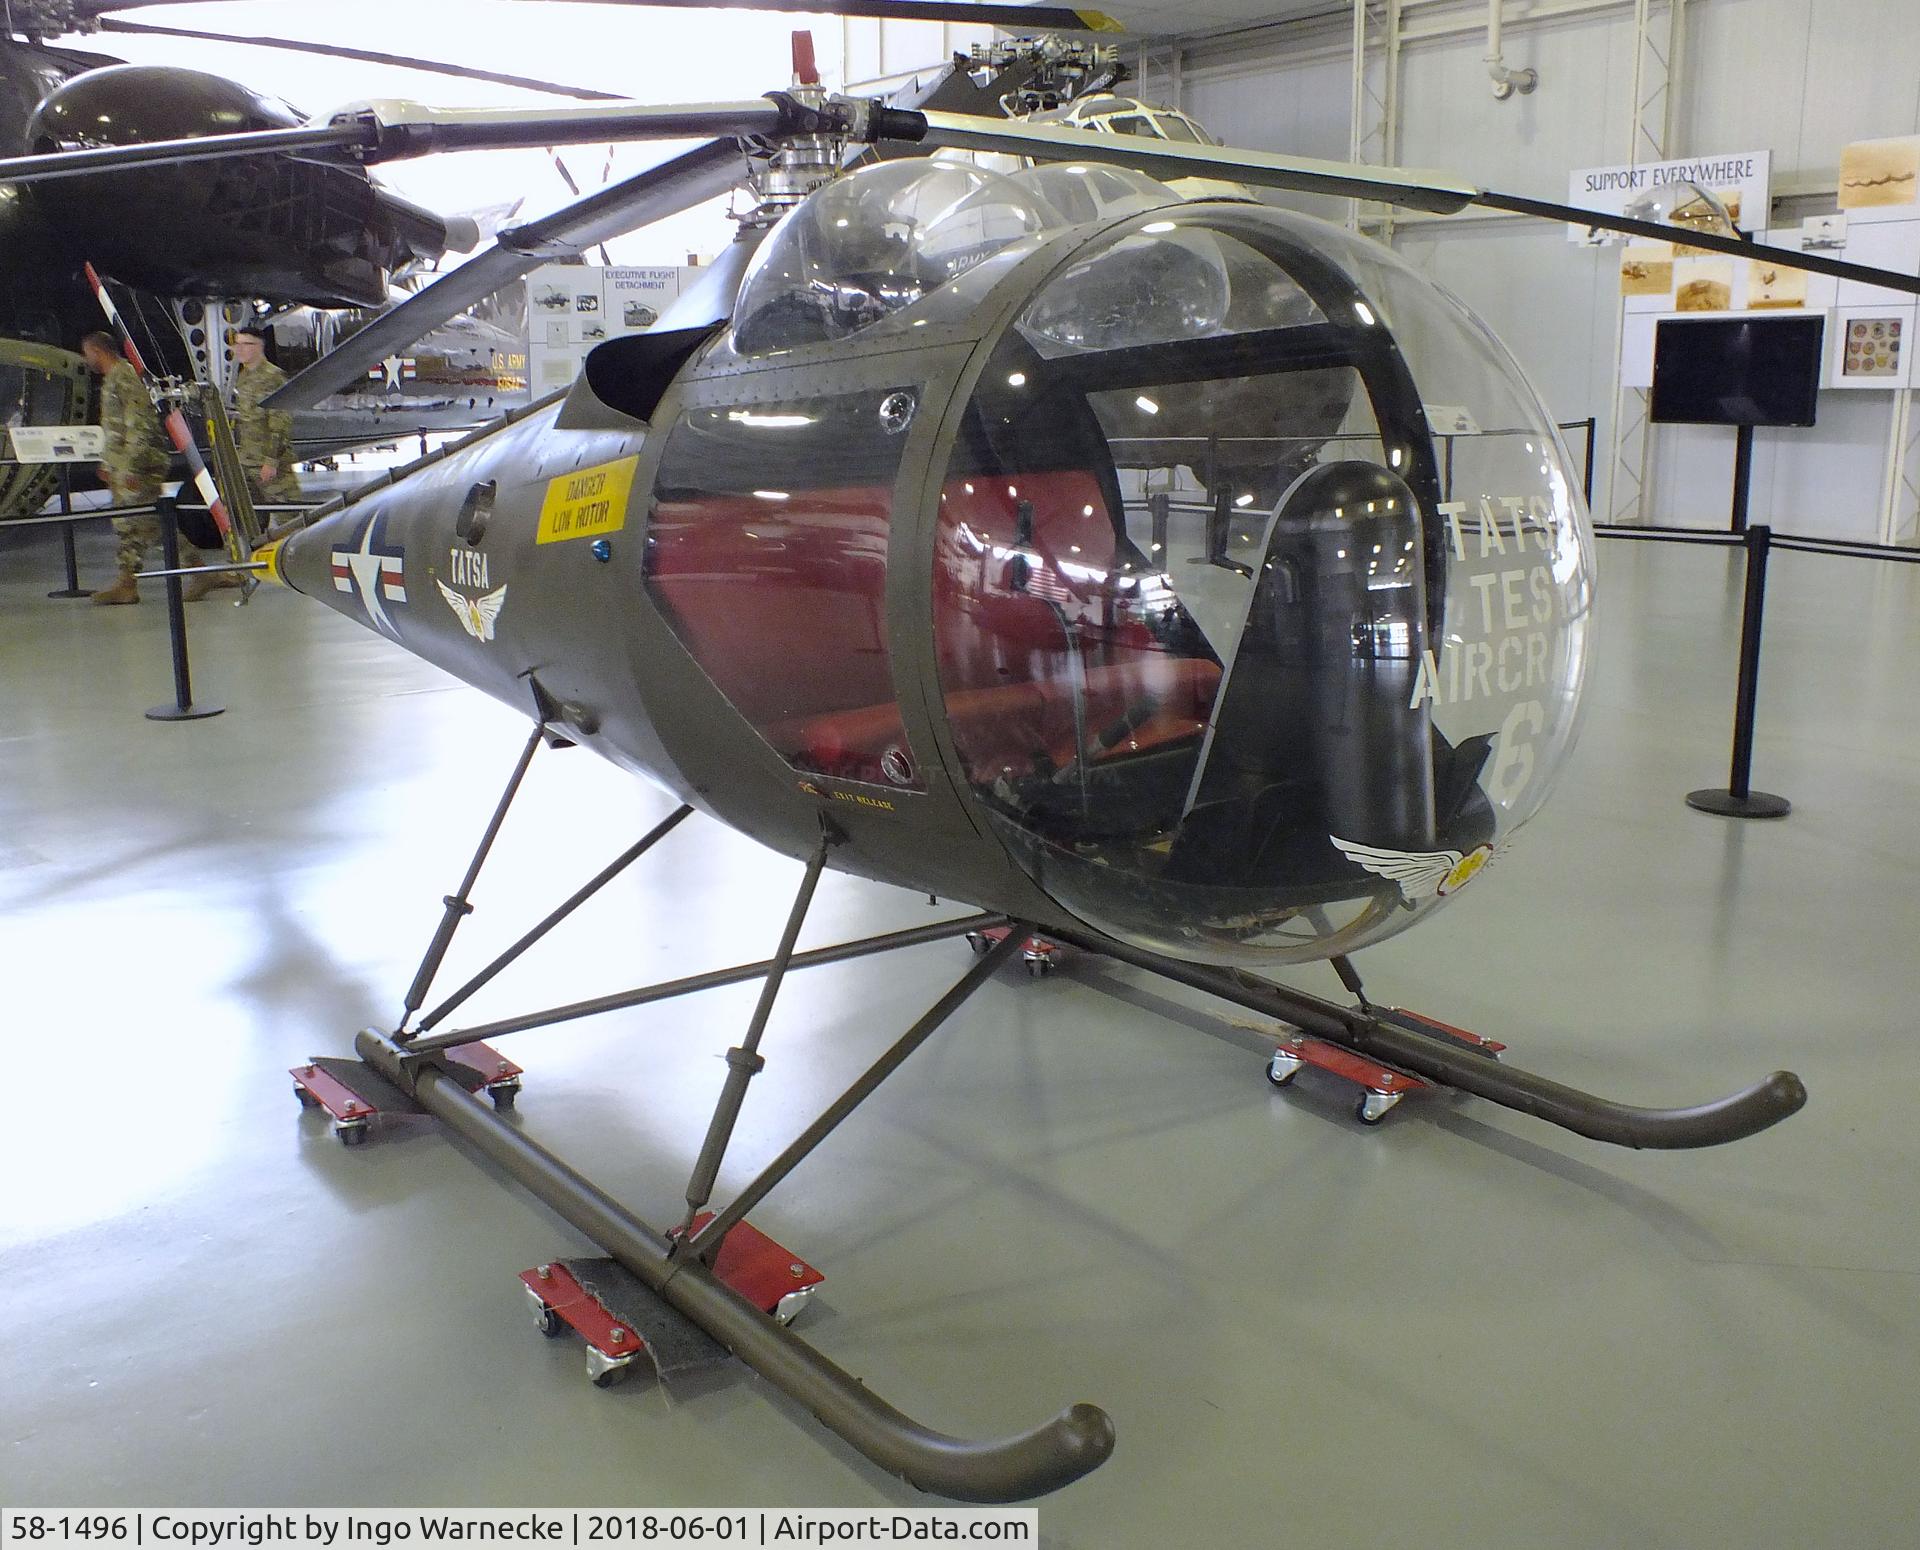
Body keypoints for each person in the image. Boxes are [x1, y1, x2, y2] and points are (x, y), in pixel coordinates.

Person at [81, 330, 169, 605]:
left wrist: (131, 467)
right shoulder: (112, 380)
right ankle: (127, 583)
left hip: (139, 467)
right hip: (123, 467)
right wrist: (108, 464)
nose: (87, 360)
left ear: (97, 351)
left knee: (143, 524)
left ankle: (129, 583)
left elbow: (139, 425)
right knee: (137, 525)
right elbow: (115, 428)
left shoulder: (126, 377)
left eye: (87, 354)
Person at [230, 325, 301, 507]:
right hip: (247, 461)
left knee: (288, 513)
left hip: (269, 463)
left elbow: (280, 423)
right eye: (237, 344)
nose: (240, 349)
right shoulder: (242, 377)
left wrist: (271, 461)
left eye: (247, 344)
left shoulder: (273, 377)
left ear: (259, 346)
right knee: (252, 518)